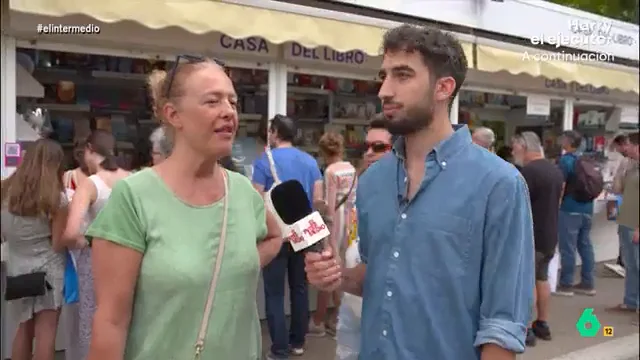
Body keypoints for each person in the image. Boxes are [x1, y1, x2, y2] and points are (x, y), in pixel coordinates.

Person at [305, 24, 534, 360]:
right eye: (383, 76)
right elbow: (379, 275)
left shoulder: (499, 184)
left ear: (443, 87)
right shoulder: (372, 181)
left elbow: (502, 323)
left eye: (402, 75)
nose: (384, 90)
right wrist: (336, 276)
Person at [84, 57, 282, 360]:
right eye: (212, 101)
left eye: (233, 102)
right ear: (173, 114)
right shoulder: (134, 197)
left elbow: (273, 236)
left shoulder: (243, 192)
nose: (229, 111)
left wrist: (232, 266)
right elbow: (111, 322)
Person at [252, 114, 323, 359]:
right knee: (300, 288)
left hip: (276, 235)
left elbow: (256, 199)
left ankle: (279, 349)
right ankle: (298, 342)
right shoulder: (310, 161)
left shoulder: (264, 162)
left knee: (274, 293)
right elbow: (317, 200)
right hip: (303, 233)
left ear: (275, 132)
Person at [59, 129, 130, 360]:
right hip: (131, 260)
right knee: (125, 321)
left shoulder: (91, 184)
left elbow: (70, 233)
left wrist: (89, 241)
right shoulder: (133, 179)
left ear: (90, 150)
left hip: (95, 263)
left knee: (92, 322)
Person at [1, 139, 68, 360]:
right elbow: (58, 243)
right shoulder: (56, 199)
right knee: (46, 333)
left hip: (17, 270)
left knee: (23, 329)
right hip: (48, 272)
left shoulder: (5, 191)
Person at [335, 122, 392, 360]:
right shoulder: (358, 188)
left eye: (378, 147)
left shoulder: (410, 195)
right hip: (351, 304)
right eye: (366, 146)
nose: (369, 153)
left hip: (385, 310)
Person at [512, 132, 564, 347]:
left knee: (528, 281)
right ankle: (542, 322)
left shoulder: (528, 173)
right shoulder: (555, 170)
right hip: (550, 234)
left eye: (515, 147)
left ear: (524, 147)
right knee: (541, 279)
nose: (513, 152)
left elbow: (517, 206)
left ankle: (525, 329)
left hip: (531, 236)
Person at [309, 132, 357, 337]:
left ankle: (329, 318)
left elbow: (328, 206)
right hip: (351, 221)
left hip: (336, 222)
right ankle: (331, 317)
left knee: (331, 269)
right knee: (345, 268)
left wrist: (328, 239)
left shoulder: (330, 172)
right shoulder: (351, 169)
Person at [556, 130, 597, 296]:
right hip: (587, 208)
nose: (560, 140)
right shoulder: (587, 159)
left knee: (568, 247)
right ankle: (588, 283)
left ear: (568, 141)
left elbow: (561, 185)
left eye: (562, 138)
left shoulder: (565, 160)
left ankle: (566, 284)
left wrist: (556, 204)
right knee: (585, 246)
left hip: (569, 208)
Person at [609, 132, 639, 314]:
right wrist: (621, 169)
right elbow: (618, 188)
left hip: (636, 224)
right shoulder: (631, 166)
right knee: (630, 264)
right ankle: (630, 301)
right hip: (626, 221)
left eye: (632, 145)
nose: (628, 149)